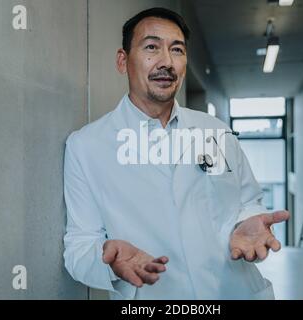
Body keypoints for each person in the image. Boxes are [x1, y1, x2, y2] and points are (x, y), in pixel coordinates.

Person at [63, 7, 290, 300]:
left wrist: (248, 223)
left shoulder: (215, 132)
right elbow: (79, 245)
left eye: (177, 50)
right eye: (151, 47)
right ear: (123, 61)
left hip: (233, 292)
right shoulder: (86, 146)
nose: (166, 62)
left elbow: (248, 203)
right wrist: (107, 262)